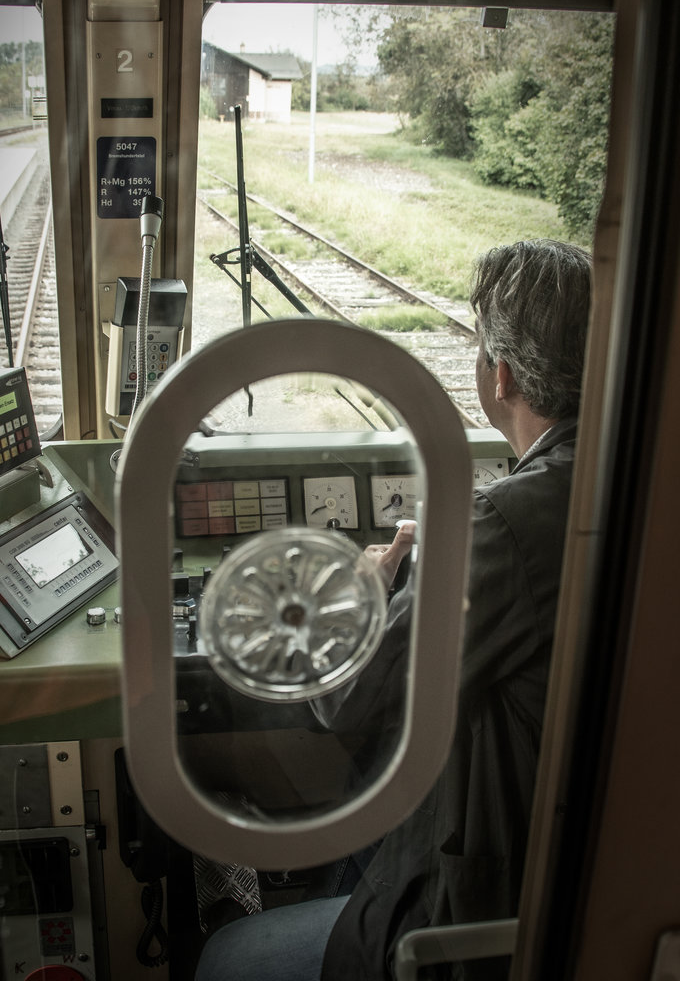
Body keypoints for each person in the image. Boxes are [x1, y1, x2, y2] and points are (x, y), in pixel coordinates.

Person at [195, 238, 592, 981]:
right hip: (598, 874)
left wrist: (369, 588)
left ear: (499, 373)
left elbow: (347, 697)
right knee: (366, 815)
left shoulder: (504, 526)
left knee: (226, 960)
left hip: (494, 920)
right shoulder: (626, 477)